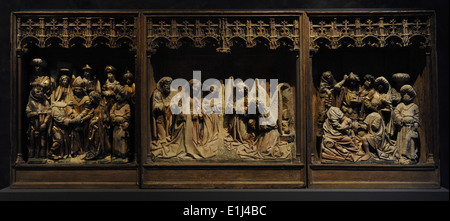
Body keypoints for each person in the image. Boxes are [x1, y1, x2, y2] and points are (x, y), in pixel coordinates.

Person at [393, 85, 420, 165]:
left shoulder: (414, 106)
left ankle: (411, 158)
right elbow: (396, 113)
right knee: (402, 141)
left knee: (411, 142)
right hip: (402, 128)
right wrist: (401, 119)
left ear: (411, 96)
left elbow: (417, 117)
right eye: (404, 94)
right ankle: (401, 157)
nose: (406, 96)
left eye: (408, 94)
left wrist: (415, 124)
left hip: (410, 128)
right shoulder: (400, 105)